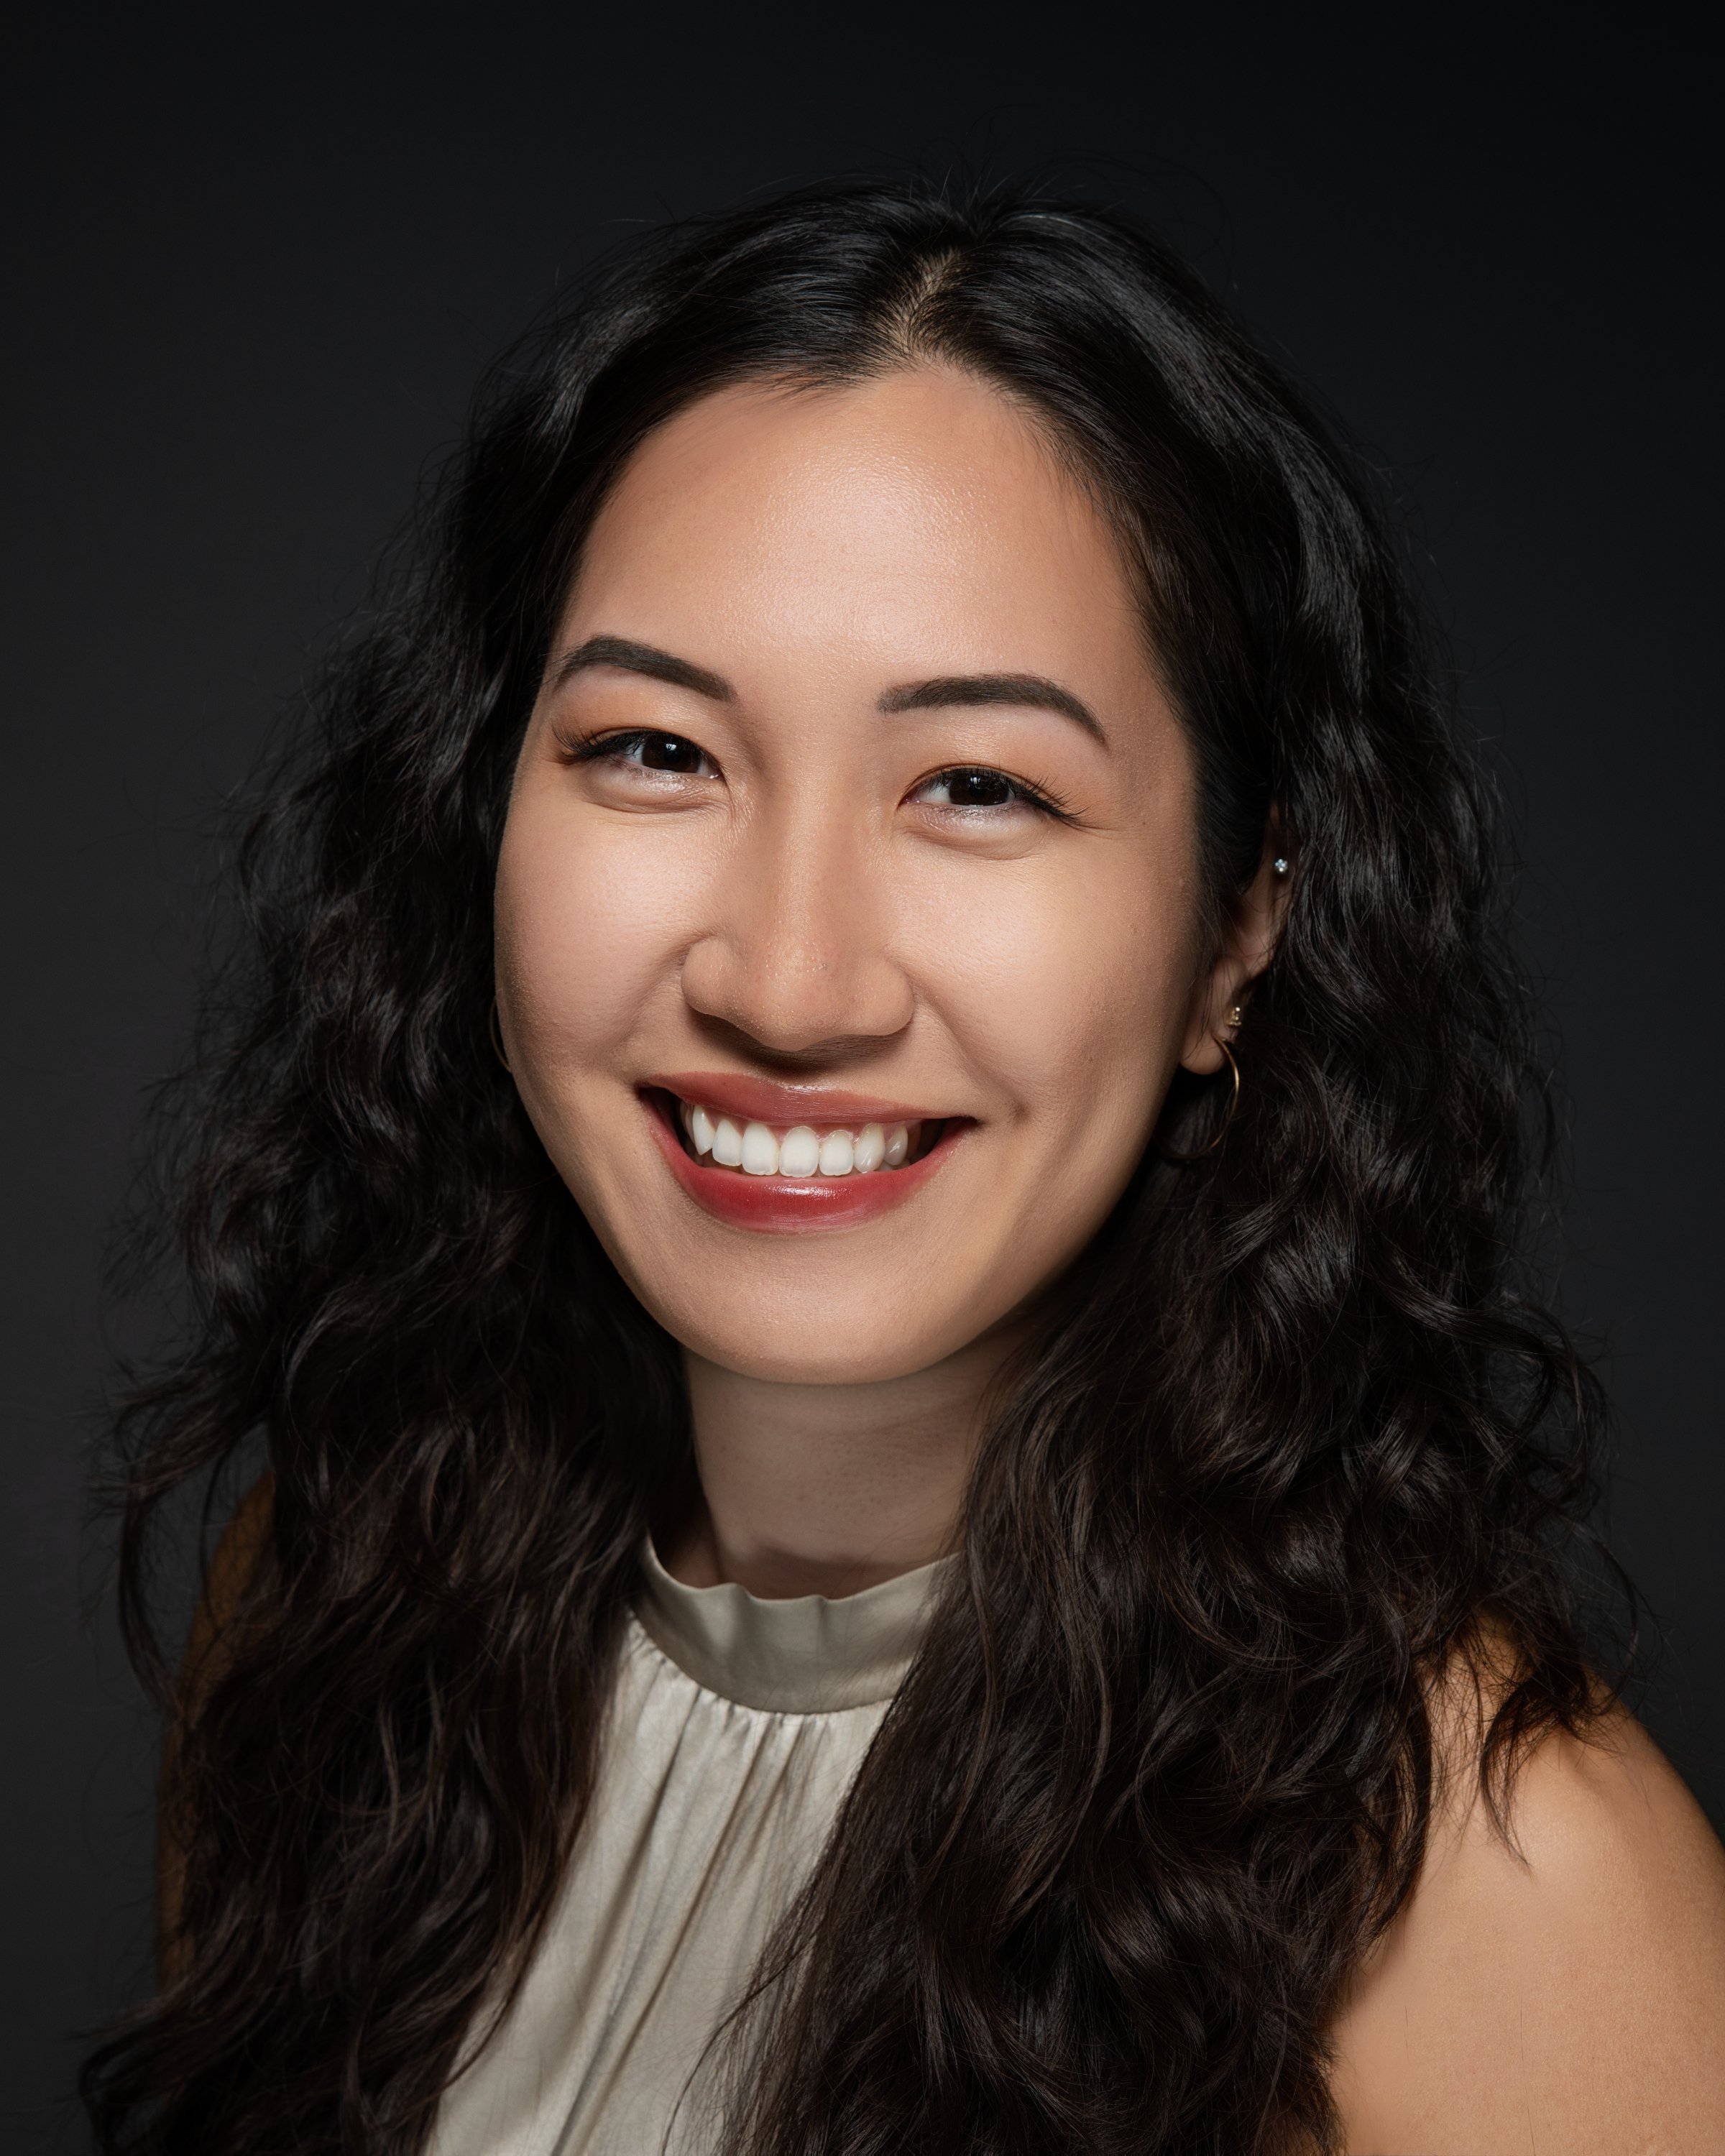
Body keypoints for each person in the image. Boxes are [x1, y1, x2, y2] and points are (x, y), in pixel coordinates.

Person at [84, 178, 1725, 2156]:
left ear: (1239, 934)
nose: (789, 983)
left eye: (979, 787)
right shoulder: (328, 1609)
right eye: (656, 751)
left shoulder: (1502, 1888)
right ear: (481, 808)